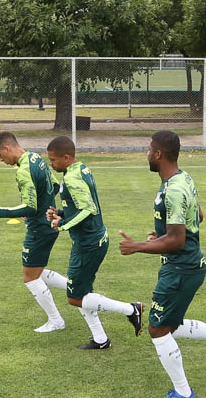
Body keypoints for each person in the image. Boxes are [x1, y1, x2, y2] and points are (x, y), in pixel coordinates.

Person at [119, 131, 206, 398]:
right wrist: (161, 236)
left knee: (157, 329)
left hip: (181, 269)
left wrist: (139, 246)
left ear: (157, 154)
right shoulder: (182, 178)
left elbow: (177, 240)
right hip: (185, 265)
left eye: (148, 149)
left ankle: (183, 393)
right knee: (170, 325)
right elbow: (197, 216)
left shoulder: (174, 189)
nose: (147, 153)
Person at [42, 136, 144, 349]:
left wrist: (62, 225)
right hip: (92, 240)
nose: (51, 164)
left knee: (74, 298)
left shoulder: (71, 178)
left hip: (88, 244)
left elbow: (89, 209)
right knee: (83, 293)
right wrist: (60, 213)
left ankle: (131, 309)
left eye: (53, 160)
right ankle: (101, 339)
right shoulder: (81, 169)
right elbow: (80, 205)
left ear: (67, 157)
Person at [0, 132, 68, 333]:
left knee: (30, 277)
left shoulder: (23, 170)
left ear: (7, 148)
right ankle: (79, 288)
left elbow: (30, 207)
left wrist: (0, 212)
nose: (1, 160)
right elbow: (53, 186)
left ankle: (56, 320)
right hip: (48, 224)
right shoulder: (35, 158)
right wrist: (41, 207)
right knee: (36, 272)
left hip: (39, 229)